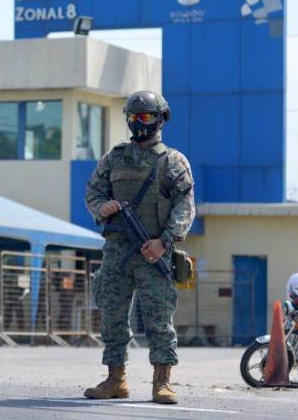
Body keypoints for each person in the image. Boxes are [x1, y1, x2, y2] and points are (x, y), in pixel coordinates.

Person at [84, 91, 195, 404]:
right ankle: (115, 379)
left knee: (159, 319)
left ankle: (162, 382)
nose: (138, 123)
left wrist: (164, 242)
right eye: (133, 117)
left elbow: (185, 207)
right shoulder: (114, 157)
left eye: (145, 117)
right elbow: (93, 191)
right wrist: (102, 207)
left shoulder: (172, 161)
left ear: (160, 120)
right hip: (117, 250)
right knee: (112, 315)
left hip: (153, 251)